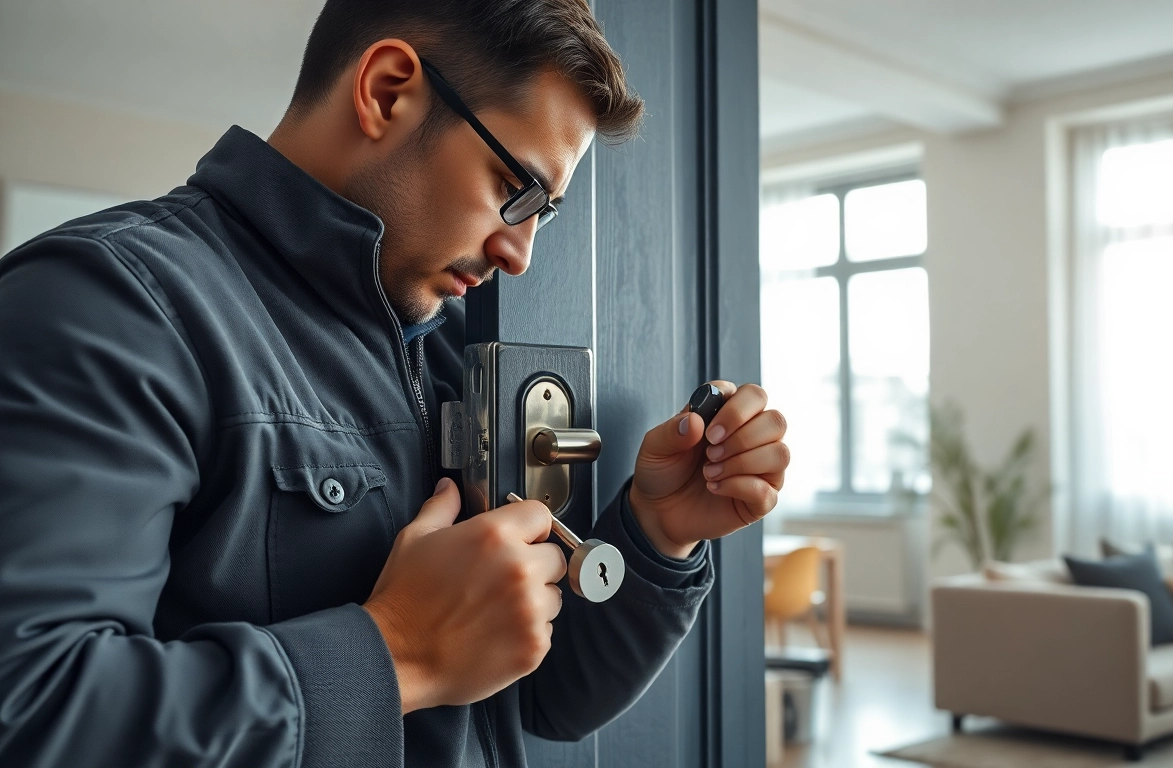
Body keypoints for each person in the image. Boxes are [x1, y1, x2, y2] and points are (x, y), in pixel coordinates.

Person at [0, 1, 790, 766]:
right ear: (387, 91)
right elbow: (34, 714)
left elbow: (539, 701)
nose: (520, 253)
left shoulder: (447, 356)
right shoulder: (106, 303)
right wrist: (397, 653)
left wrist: (657, 532)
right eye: (514, 186)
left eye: (543, 213)